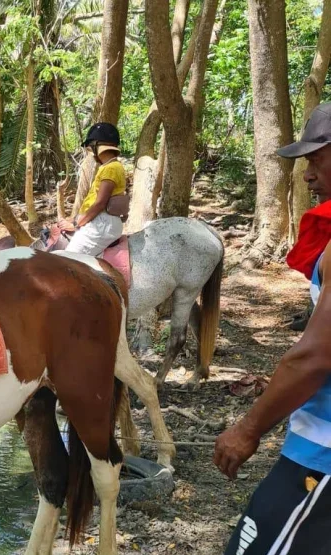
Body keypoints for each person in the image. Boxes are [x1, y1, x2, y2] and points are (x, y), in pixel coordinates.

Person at [214, 102, 331, 555]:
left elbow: (315, 356)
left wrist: (249, 428)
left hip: (321, 455)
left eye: (316, 159)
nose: (307, 175)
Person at [58, 122, 127, 256]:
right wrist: (74, 219)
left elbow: (100, 203)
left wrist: (76, 225)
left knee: (68, 259)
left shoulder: (111, 168)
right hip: (100, 221)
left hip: (102, 224)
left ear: (97, 146)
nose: (91, 153)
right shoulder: (108, 167)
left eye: (90, 148)